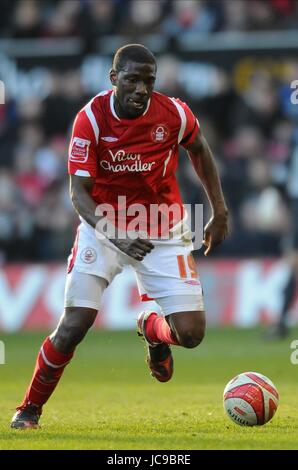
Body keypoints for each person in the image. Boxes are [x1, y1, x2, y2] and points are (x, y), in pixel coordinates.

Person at [11, 44, 228, 429]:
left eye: (149, 80)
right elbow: (78, 194)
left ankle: (151, 329)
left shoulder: (174, 113)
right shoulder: (90, 120)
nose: (141, 88)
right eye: (132, 79)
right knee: (73, 326)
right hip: (104, 226)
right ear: (114, 79)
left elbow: (200, 150)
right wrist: (117, 235)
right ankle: (29, 409)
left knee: (192, 334)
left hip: (164, 226)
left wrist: (219, 211)